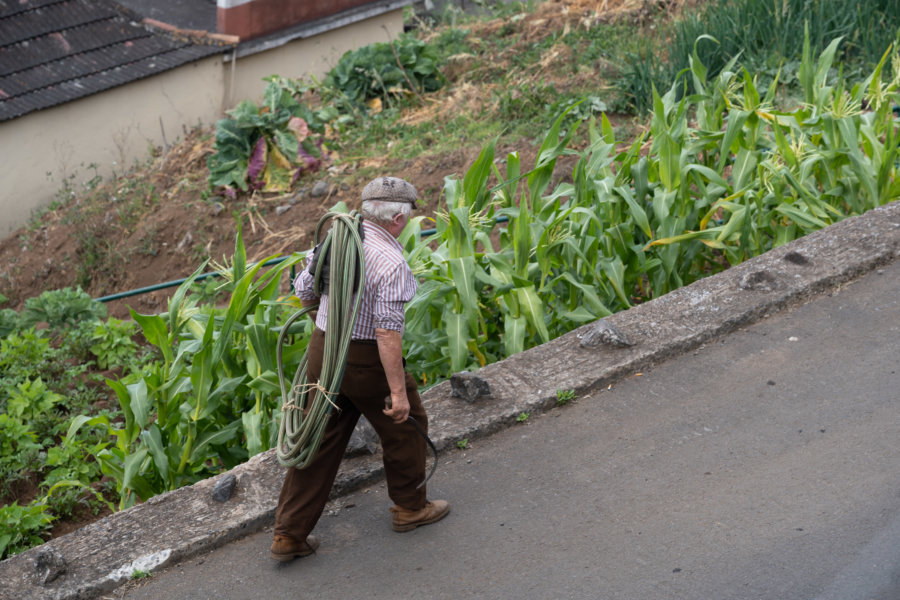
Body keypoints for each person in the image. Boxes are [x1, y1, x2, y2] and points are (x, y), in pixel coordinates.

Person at [270, 176, 450, 562]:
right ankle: (410, 508)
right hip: (367, 361)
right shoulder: (391, 261)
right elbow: (387, 333)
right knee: (405, 425)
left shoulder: (333, 240)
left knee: (316, 438)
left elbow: (303, 290)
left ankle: (288, 534)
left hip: (324, 349)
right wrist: (398, 393)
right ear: (399, 217)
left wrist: (329, 322)